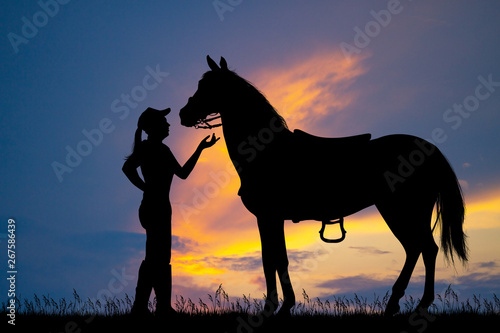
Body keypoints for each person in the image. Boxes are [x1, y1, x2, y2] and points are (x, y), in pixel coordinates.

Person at [122, 107, 219, 317]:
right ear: (155, 126)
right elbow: (128, 168)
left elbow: (182, 173)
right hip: (153, 207)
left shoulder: (162, 149)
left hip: (161, 208)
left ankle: (156, 307)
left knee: (160, 257)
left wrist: (201, 148)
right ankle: (149, 308)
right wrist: (145, 187)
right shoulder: (148, 148)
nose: (168, 125)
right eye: (164, 122)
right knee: (156, 257)